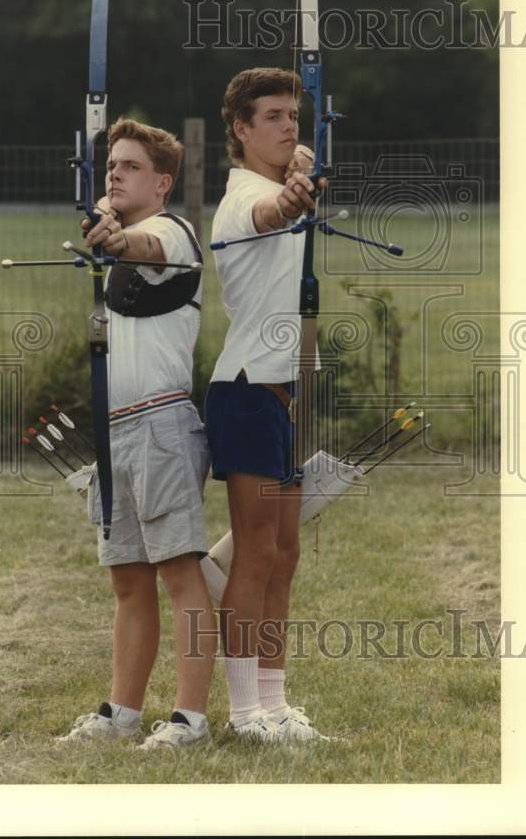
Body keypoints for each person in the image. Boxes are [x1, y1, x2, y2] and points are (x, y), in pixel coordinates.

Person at [57, 117, 216, 751]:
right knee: (127, 579)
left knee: (180, 573)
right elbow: (117, 242)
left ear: (162, 182)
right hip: (113, 430)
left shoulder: (171, 233)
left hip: (160, 424)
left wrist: (111, 233)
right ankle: (122, 711)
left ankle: (189, 719)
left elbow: (142, 249)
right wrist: (103, 222)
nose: (115, 173)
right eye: (109, 166)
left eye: (129, 166)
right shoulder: (120, 235)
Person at [204, 67, 330, 742]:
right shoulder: (244, 199)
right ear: (241, 130)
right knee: (253, 555)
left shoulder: (283, 180)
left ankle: (277, 707)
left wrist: (301, 176)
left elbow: (293, 196)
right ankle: (245, 713)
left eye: (294, 116)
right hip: (246, 392)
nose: (288, 127)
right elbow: (270, 214)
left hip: (282, 397)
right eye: (273, 117)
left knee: (285, 555)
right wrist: (294, 195)